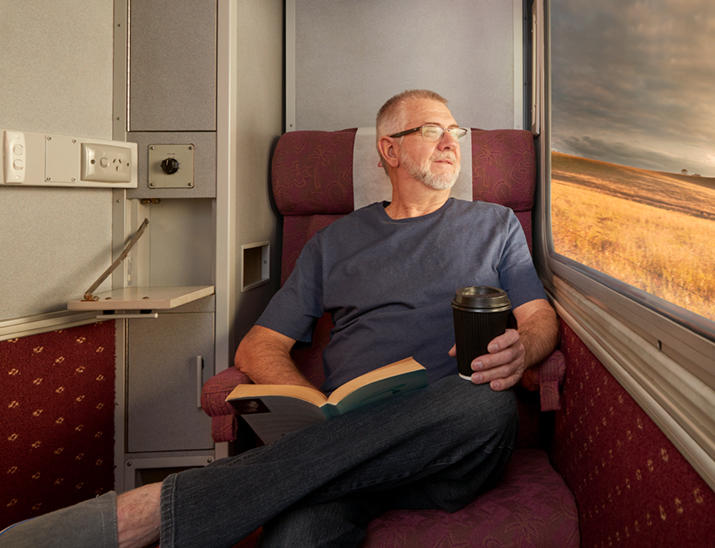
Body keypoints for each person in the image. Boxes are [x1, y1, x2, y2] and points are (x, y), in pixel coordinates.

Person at [0, 90, 558, 548]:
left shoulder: (495, 224)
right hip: (336, 448)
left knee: (481, 400)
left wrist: (523, 348)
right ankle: (292, 471)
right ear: (389, 150)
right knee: (294, 536)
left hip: (450, 440)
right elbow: (259, 346)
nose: (451, 143)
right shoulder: (334, 242)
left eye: (456, 132)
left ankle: (150, 512)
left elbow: (539, 318)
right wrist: (310, 405)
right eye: (433, 130)